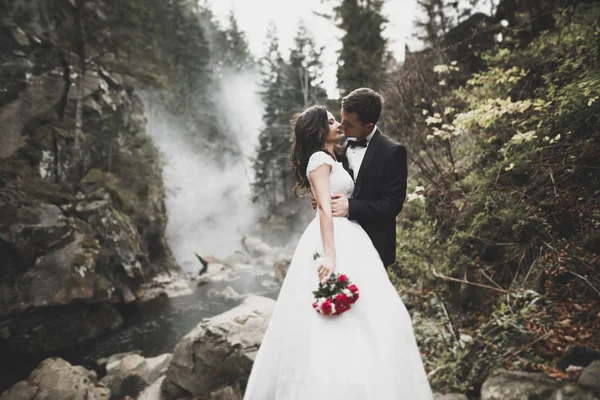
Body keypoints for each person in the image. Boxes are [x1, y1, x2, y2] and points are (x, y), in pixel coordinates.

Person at [243, 105, 433, 399]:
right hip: (333, 237)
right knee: (334, 319)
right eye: (332, 121)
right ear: (320, 131)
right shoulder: (319, 160)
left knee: (371, 309)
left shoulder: (335, 156)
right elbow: (324, 211)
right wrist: (330, 255)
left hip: (353, 236)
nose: (339, 125)